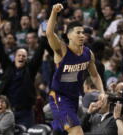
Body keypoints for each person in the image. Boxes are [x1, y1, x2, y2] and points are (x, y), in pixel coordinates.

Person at [46, 3, 105, 135]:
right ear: (69, 36)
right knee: (77, 132)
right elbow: (49, 33)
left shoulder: (88, 54)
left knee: (61, 131)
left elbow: (95, 76)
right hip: (59, 98)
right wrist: (54, 12)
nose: (82, 35)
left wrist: (102, 91)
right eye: (78, 32)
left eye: (83, 32)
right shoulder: (62, 50)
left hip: (74, 98)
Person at [0, 16, 51, 128]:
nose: (21, 57)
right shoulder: (8, 67)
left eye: (24, 56)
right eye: (19, 55)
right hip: (8, 111)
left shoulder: (30, 69)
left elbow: (39, 53)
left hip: (26, 113)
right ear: (14, 57)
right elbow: (0, 51)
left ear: (27, 59)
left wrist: (43, 36)